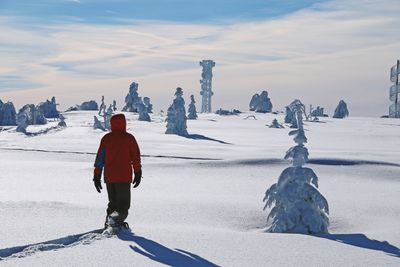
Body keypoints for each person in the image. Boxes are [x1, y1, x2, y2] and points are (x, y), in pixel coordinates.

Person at [93, 113, 142, 228]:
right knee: (123, 206)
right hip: (123, 178)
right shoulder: (129, 138)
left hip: (110, 178)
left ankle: (111, 223)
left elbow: (100, 159)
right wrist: (138, 172)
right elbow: (135, 157)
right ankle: (113, 221)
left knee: (113, 204)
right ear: (124, 123)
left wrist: (97, 176)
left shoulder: (106, 138)